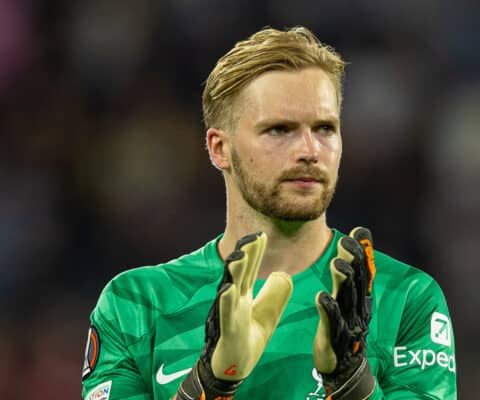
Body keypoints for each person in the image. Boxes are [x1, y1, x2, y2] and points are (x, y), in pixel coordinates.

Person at [81, 26, 457, 400]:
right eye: (280, 130)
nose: (309, 150)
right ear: (219, 149)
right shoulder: (135, 305)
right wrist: (210, 385)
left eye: (325, 128)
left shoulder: (405, 299)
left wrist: (350, 382)